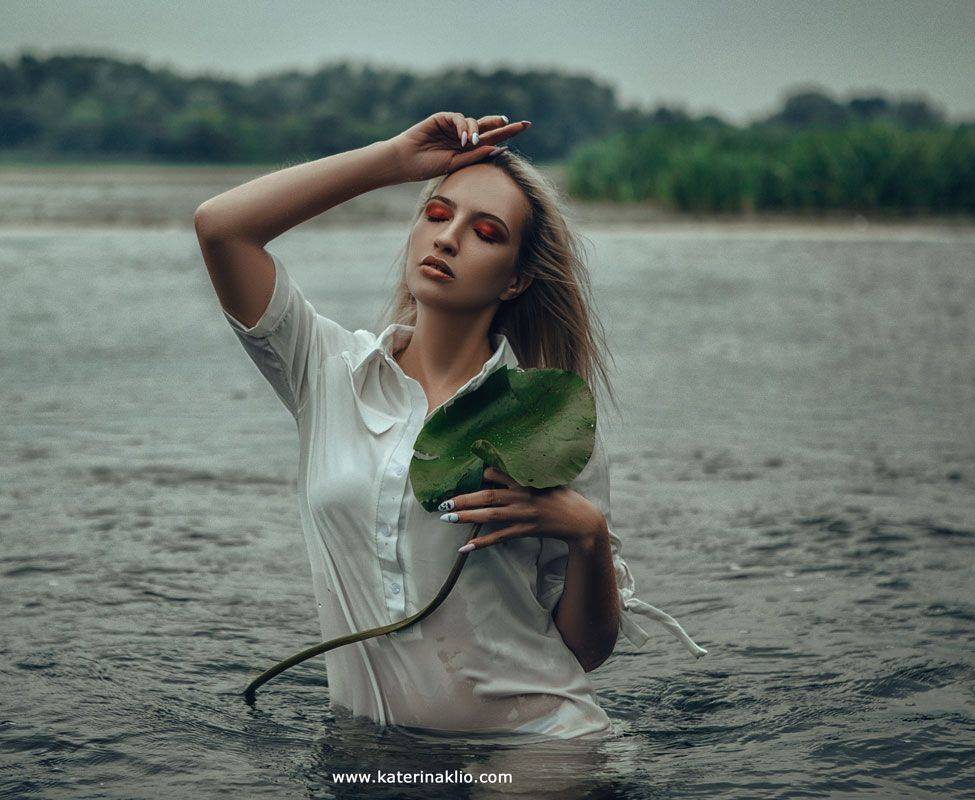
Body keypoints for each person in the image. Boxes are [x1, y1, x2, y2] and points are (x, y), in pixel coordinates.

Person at [195, 112, 706, 741]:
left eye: (485, 232)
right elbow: (222, 229)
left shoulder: (545, 425)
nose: (448, 239)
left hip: (539, 741)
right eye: (437, 216)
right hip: (372, 752)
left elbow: (588, 648)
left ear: (516, 278)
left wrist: (589, 535)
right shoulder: (326, 374)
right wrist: (392, 160)